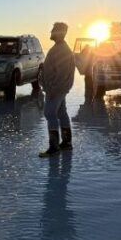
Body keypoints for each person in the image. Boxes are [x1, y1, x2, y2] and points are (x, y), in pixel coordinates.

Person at [39, 22, 75, 158]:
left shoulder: (62, 50)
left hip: (56, 89)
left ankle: (54, 147)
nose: (51, 33)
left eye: (53, 30)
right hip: (58, 88)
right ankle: (66, 143)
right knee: (61, 113)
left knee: (49, 113)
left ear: (60, 33)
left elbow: (62, 74)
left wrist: (53, 90)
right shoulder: (58, 48)